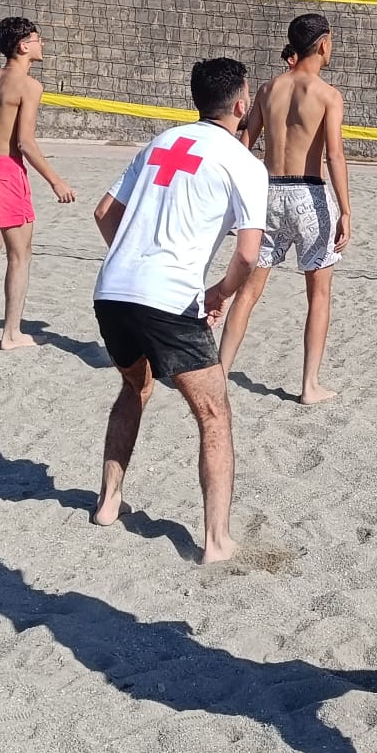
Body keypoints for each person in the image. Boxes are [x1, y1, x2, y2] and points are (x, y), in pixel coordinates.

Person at [89, 58, 269, 562]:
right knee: (213, 413)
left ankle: (108, 503)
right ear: (241, 105)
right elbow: (249, 254)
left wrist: (132, 261)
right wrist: (220, 293)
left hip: (113, 289)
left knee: (135, 386)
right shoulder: (243, 163)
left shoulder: (161, 142)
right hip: (168, 297)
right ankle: (216, 540)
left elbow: (103, 213)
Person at [217, 13, 352, 404]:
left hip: (269, 192)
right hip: (309, 194)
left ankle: (220, 373)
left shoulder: (267, 89)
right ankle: (310, 385)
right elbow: (335, 156)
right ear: (323, 44)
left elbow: (244, 144)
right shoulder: (328, 95)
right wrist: (346, 210)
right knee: (319, 296)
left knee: (247, 292)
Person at [0, 16, 76, 348]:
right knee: (19, 254)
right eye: (37, 39)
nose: (42, 44)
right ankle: (11, 334)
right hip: (3, 172)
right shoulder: (28, 85)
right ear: (23, 46)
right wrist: (55, 181)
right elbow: (24, 142)